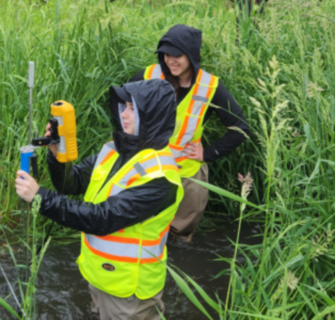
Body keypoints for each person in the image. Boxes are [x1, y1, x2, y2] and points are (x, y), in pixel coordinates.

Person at [16, 79, 184, 320]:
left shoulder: (160, 178)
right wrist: (56, 157)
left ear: (153, 116)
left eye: (133, 109)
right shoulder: (114, 150)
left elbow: (101, 219)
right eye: (123, 106)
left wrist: (40, 197)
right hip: (99, 278)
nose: (123, 114)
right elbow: (71, 183)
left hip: (130, 296)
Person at [122, 24, 250, 243]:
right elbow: (121, 104)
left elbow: (240, 129)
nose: (171, 60)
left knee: (179, 238)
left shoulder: (210, 87)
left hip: (187, 173)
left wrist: (208, 153)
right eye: (166, 54)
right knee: (141, 231)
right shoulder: (149, 75)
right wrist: (129, 141)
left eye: (177, 55)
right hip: (147, 169)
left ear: (191, 55)